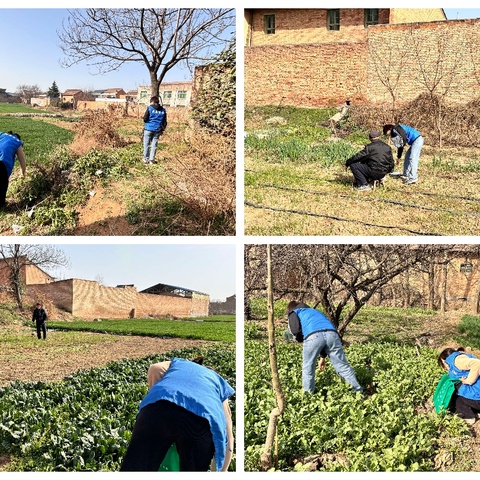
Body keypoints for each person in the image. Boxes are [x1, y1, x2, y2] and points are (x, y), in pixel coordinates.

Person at [120, 356, 234, 472]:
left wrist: (157, 400)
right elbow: (228, 436)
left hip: (157, 408)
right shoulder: (217, 383)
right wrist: (222, 471)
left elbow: (155, 368)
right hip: (198, 423)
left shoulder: (179, 364)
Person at [286, 301, 363, 394]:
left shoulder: (294, 312)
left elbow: (295, 330)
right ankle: (358, 392)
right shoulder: (315, 311)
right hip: (333, 334)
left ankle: (307, 396)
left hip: (313, 336)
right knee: (342, 366)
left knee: (308, 368)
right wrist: (322, 357)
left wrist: (299, 339)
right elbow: (323, 334)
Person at [437, 347, 480, 425]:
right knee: (460, 392)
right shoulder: (461, 357)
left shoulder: (457, 360)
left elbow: (477, 363)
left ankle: (468, 417)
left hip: (477, 397)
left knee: (455, 394)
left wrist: (469, 381)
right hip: (476, 396)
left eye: (443, 364)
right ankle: (475, 412)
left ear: (444, 360)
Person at [0, 131, 27, 208]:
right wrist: (24, 173)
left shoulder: (2, 134)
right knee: (3, 184)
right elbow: (22, 159)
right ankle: (1, 205)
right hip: (2, 165)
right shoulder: (17, 142)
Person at [142, 96, 167, 164]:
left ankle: (145, 159)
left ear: (152, 102)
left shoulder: (150, 108)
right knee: (154, 145)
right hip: (157, 130)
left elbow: (145, 118)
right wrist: (162, 129)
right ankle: (151, 160)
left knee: (146, 144)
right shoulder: (163, 110)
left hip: (148, 129)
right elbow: (164, 122)